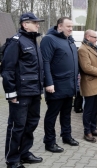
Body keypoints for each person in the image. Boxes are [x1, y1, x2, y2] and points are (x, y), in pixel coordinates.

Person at [1, 13, 44, 167]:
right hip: (21, 93)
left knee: (31, 124)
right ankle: (12, 160)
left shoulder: (33, 42)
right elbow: (7, 70)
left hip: (34, 92)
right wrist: (11, 93)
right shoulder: (16, 42)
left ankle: (24, 153)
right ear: (25, 24)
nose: (38, 25)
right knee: (17, 126)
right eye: (35, 22)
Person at [40, 17, 79, 153]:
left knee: (66, 113)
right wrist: (48, 83)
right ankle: (49, 142)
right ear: (59, 26)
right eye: (68, 26)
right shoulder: (49, 39)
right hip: (56, 85)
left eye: (72, 27)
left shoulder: (69, 41)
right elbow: (45, 62)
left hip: (70, 85)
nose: (71, 29)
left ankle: (66, 136)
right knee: (52, 115)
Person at [78, 30, 97, 142]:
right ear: (87, 36)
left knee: (95, 109)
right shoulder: (83, 49)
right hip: (90, 83)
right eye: (94, 37)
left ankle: (93, 128)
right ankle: (87, 132)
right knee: (89, 110)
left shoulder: (93, 47)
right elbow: (86, 67)